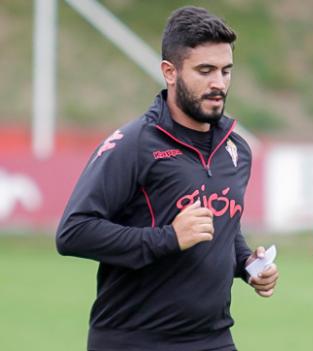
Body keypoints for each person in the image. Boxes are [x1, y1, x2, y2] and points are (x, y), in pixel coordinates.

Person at [56, 6, 278, 351]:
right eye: (205, 71)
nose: (218, 83)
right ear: (169, 72)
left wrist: (246, 263)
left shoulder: (236, 149)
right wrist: (168, 238)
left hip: (214, 339)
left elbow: (223, 225)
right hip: (134, 340)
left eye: (225, 71)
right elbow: (73, 232)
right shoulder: (134, 144)